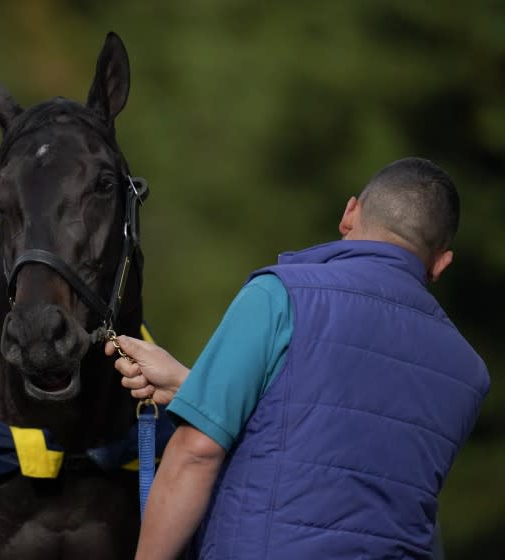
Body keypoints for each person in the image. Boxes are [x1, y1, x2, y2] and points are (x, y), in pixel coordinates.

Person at [106, 157, 489, 559]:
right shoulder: (469, 374)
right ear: (441, 263)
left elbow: (197, 452)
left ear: (349, 213)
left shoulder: (280, 295)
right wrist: (195, 389)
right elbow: (342, 447)